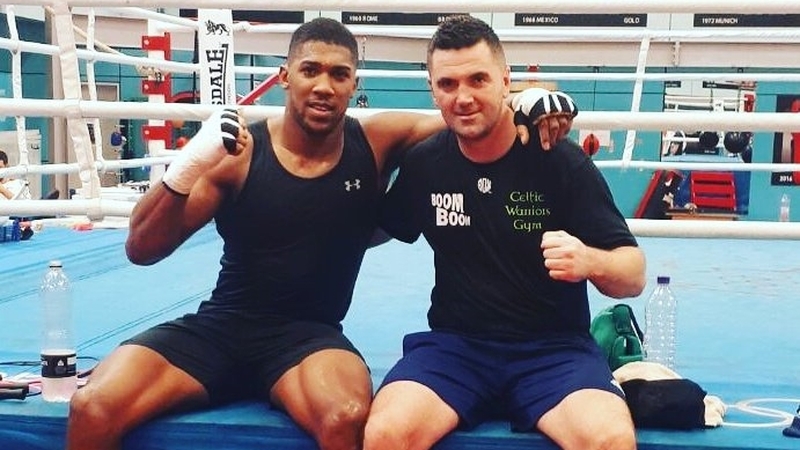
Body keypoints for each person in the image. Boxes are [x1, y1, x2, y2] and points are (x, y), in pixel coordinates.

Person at [65, 17, 576, 450]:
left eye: (339, 74)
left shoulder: (377, 141)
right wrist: (187, 166)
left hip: (308, 338)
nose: (324, 86)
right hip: (221, 327)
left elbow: (465, 117)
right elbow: (141, 248)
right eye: (310, 70)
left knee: (345, 416)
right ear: (285, 77)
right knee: (93, 406)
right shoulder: (239, 155)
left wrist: (528, 99)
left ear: (354, 84)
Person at [363, 15, 646, 450]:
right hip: (456, 349)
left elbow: (634, 274)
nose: (463, 97)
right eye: (448, 84)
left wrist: (590, 260)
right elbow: (375, 228)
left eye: (478, 79)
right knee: (385, 434)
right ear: (433, 90)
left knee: (610, 440)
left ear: (505, 81)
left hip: (553, 351)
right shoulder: (425, 164)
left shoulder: (559, 160)